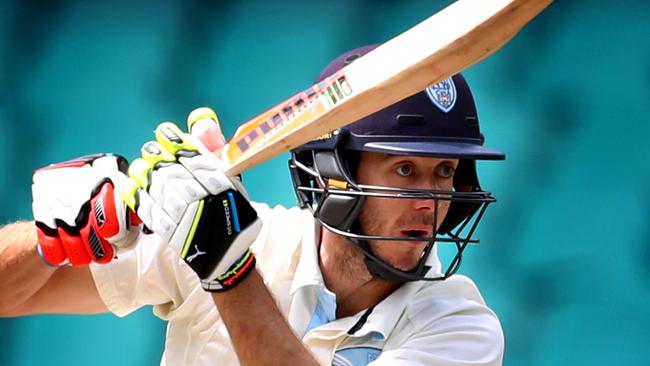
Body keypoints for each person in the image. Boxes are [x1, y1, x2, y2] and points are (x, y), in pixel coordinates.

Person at [0, 45, 505, 365]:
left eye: (444, 172)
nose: (432, 201)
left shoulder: (461, 327)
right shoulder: (248, 238)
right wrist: (55, 239)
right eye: (404, 170)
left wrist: (226, 268)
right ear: (333, 173)